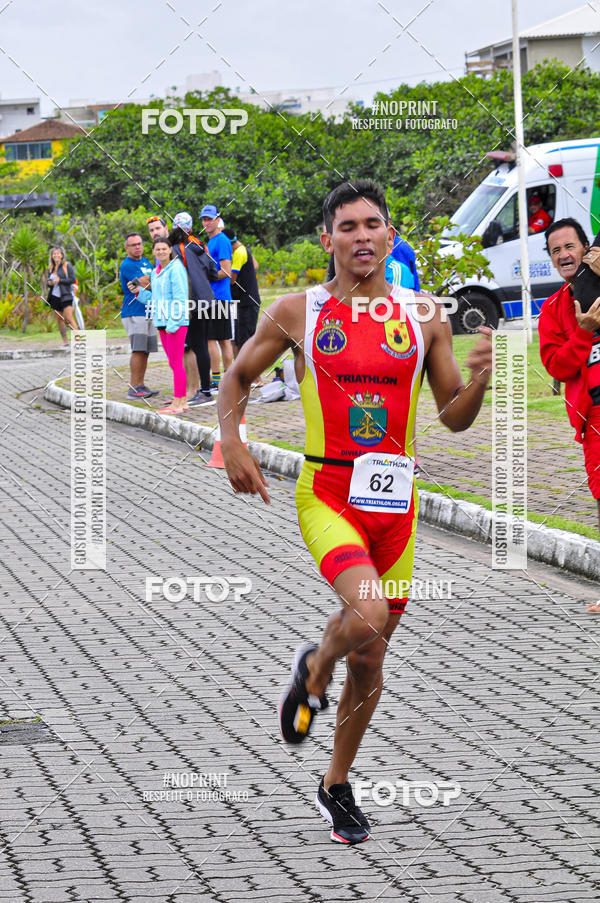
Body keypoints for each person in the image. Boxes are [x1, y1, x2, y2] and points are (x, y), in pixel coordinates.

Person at [217, 179, 493, 844]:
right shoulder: (298, 311)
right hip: (328, 493)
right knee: (365, 612)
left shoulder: (424, 315)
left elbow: (453, 416)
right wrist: (233, 441)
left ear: (390, 236)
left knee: (369, 658)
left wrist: (481, 381)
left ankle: (335, 783)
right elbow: (237, 376)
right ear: (327, 240)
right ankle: (315, 668)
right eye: (348, 226)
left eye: (373, 224)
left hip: (397, 506)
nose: (362, 236)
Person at [538, 217, 600, 611]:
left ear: (587, 249)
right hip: (595, 416)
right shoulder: (551, 310)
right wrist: (584, 330)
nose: (563, 254)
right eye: (555, 250)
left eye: (570, 246)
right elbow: (558, 366)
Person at [131, 238, 189, 415]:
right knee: (173, 363)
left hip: (175, 323)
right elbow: (155, 299)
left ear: (170, 250)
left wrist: (174, 323)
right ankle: (182, 400)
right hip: (162, 322)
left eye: (164, 248)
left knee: (176, 363)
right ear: (154, 252)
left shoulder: (176, 268)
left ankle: (178, 403)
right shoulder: (155, 272)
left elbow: (181, 298)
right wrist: (139, 292)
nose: (161, 252)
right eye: (158, 249)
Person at [170, 212, 218, 407]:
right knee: (202, 346)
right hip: (208, 300)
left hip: (192, 302)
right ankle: (204, 389)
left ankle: (205, 392)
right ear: (190, 228)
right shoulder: (200, 245)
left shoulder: (175, 249)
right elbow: (213, 273)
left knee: (195, 347)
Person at [119, 232, 159, 400]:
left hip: (148, 310)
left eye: (139, 244)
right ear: (126, 248)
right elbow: (141, 283)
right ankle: (133, 388)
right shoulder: (127, 265)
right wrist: (153, 279)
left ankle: (140, 385)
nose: (137, 247)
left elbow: (149, 281)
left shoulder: (146, 262)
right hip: (134, 312)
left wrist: (150, 280)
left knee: (146, 350)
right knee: (138, 349)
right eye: (133, 245)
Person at [200, 204, 234, 387]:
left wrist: (203, 277)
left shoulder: (221, 240)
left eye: (210, 219)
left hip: (219, 297)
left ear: (217, 219)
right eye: (204, 219)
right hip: (211, 297)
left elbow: (226, 271)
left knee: (218, 340)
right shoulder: (210, 241)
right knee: (215, 340)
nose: (206, 222)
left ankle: (223, 380)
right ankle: (223, 380)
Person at [223, 227, 262, 356]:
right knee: (238, 340)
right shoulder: (241, 250)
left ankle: (248, 367)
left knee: (245, 342)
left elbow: (232, 279)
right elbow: (255, 265)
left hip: (247, 303)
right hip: (243, 303)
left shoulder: (239, 253)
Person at [46, 247, 78, 345]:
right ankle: (65, 342)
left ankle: (78, 341)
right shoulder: (51, 268)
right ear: (52, 256)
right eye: (54, 254)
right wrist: (50, 283)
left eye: (58, 253)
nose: (56, 255)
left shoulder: (66, 266)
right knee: (60, 320)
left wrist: (60, 280)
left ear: (62, 255)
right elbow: (49, 282)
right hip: (55, 297)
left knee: (69, 318)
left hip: (66, 295)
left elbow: (73, 279)